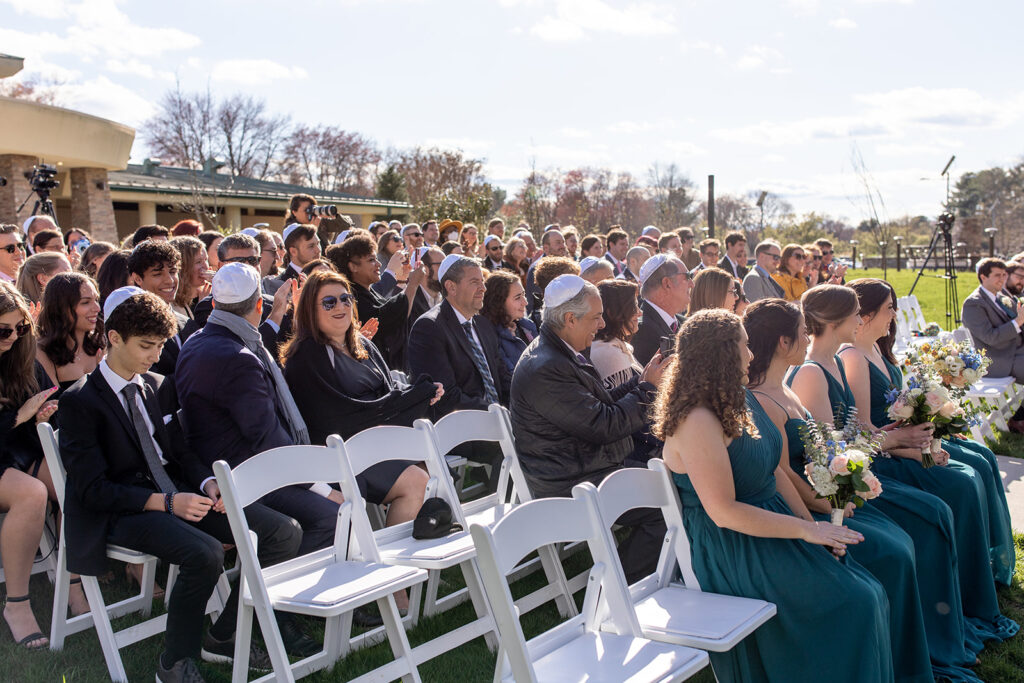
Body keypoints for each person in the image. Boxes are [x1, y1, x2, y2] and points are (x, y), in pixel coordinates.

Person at [60, 287, 306, 681]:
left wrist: (208, 482)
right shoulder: (80, 401)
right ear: (114, 338)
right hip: (122, 510)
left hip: (177, 494)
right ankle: (174, 663)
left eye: (160, 345)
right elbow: (93, 490)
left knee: (283, 532)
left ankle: (225, 633)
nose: (155, 355)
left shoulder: (157, 384)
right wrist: (167, 502)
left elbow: (180, 451)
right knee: (205, 553)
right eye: (146, 346)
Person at [654, 307, 893, 682]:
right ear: (722, 353)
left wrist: (812, 525)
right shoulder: (696, 419)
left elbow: (774, 471)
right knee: (854, 601)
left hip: (774, 520)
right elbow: (723, 511)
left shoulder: (738, 398)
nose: (751, 355)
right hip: (735, 544)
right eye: (744, 346)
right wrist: (806, 530)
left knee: (869, 589)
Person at [792, 284, 1018, 652]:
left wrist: (915, 435)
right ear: (836, 320)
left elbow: (855, 433)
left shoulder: (833, 362)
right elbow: (832, 451)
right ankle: (936, 627)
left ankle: (955, 609)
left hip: (865, 463)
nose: (860, 319)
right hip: (850, 482)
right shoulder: (813, 372)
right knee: (935, 512)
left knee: (947, 498)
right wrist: (903, 445)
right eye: (854, 313)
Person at [743, 299, 940, 682]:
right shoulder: (763, 400)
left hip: (832, 496)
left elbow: (826, 448)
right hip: (808, 507)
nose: (807, 337)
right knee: (893, 553)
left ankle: (904, 659)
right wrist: (825, 506)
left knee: (901, 542)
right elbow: (783, 474)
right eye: (802, 332)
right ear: (783, 342)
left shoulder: (786, 390)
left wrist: (849, 480)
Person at [844, 279, 1017, 589]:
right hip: (887, 452)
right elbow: (863, 430)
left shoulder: (877, 346)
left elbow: (901, 404)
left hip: (908, 434)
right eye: (888, 308)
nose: (894, 314)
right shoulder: (853, 357)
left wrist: (938, 421)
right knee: (963, 481)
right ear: (866, 314)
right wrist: (913, 449)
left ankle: (987, 561)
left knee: (983, 456)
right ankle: (966, 579)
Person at [509, 274, 669, 583]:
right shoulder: (546, 367)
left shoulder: (557, 351)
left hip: (584, 467)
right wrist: (647, 390)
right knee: (667, 500)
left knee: (671, 481)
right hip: (569, 484)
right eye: (596, 317)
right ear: (570, 319)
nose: (601, 324)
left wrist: (642, 381)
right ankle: (615, 588)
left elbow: (600, 406)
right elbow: (604, 424)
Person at [280, 270, 434, 535]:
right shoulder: (306, 355)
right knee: (416, 481)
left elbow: (387, 391)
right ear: (310, 310)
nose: (340, 307)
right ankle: (393, 558)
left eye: (345, 299)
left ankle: (424, 549)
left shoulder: (361, 344)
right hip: (339, 453)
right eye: (329, 302)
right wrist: (411, 399)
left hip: (375, 441)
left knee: (433, 466)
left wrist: (420, 394)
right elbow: (337, 416)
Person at [0, 282, 62, 650]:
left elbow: (45, 405)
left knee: (70, 479)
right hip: (5, 459)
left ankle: (73, 580)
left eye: (21, 328)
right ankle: (17, 604)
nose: (13, 337)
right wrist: (17, 418)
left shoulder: (22, 356)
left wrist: (41, 419)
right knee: (32, 494)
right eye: (3, 330)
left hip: (17, 452)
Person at [408, 255, 511, 415]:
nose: (483, 288)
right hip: (463, 425)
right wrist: (496, 414)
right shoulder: (429, 328)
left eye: (482, 281)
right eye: (474, 282)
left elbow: (502, 378)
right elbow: (446, 397)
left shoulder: (483, 325)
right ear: (451, 287)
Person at [327, 234, 423, 371]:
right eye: (371, 260)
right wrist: (413, 284)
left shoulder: (367, 291)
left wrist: (403, 280)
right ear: (353, 267)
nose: (379, 264)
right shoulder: (351, 298)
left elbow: (392, 308)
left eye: (376, 259)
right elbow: (388, 317)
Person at [961, 258, 1024, 423]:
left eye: (1004, 275)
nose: (1002, 279)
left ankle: (1020, 418)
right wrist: (1018, 321)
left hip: (1016, 352)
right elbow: (991, 337)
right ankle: (1019, 420)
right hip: (998, 359)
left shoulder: (1001, 297)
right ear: (983, 277)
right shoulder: (973, 303)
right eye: (997, 275)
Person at [126, 241, 185, 377]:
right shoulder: (132, 325)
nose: (169, 280)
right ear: (137, 278)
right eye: (157, 274)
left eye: (173, 272)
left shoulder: (187, 324)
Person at [632, 254, 692, 365]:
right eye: (687, 277)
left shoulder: (685, 323)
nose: (692, 284)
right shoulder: (641, 331)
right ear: (667, 283)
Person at [479, 269, 536, 375]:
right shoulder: (489, 336)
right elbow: (508, 377)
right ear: (499, 302)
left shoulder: (528, 327)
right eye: (518, 298)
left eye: (523, 295)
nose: (525, 302)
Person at [590, 279, 643, 390]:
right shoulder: (608, 353)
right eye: (634, 306)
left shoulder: (614, 346)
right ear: (612, 312)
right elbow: (627, 397)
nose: (640, 312)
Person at [525, 229, 568, 312]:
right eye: (558, 243)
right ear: (546, 248)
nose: (563, 246)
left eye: (563, 242)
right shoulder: (538, 269)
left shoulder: (565, 266)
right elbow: (539, 302)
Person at [169, 236, 211, 320]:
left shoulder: (211, 294)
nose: (206, 267)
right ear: (182, 266)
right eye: (198, 262)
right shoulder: (171, 303)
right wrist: (202, 311)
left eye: (206, 260)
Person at [272, 223, 321, 290]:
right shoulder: (281, 284)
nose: (318, 250)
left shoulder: (325, 274)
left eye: (318, 244)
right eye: (311, 246)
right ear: (293, 251)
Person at [408, 247, 445, 323]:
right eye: (441, 265)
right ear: (425, 269)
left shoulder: (448, 299)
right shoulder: (410, 303)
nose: (446, 270)